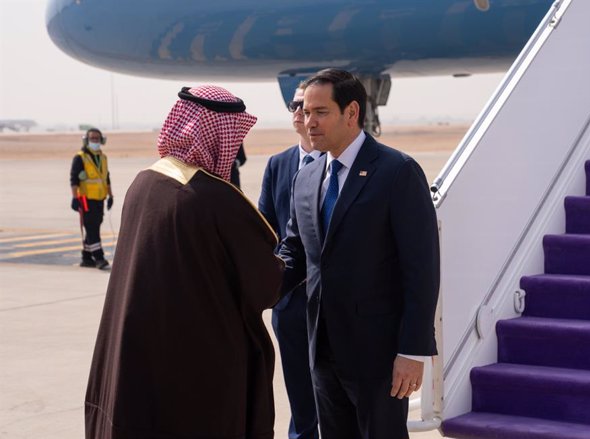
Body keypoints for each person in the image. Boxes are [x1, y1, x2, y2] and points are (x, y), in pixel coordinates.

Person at [84, 85, 284, 439]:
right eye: (233, 137)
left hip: (139, 355)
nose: (234, 147)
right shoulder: (215, 199)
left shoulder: (143, 182)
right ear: (217, 135)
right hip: (195, 366)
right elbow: (266, 287)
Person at [278, 69, 440, 438]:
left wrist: (413, 351)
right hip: (322, 352)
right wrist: (251, 285)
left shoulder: (397, 172)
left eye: (320, 112)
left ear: (351, 113)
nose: (307, 121)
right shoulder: (306, 177)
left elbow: (422, 270)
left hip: (380, 357)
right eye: (304, 111)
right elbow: (295, 253)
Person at [259, 82, 320, 439]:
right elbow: (265, 229)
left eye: (305, 105)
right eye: (293, 106)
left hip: (334, 304)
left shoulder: (339, 165)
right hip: (291, 305)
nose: (298, 112)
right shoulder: (278, 165)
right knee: (300, 397)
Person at [69, 128, 113, 269]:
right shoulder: (80, 157)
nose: (95, 141)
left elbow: (106, 178)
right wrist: (75, 198)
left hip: (99, 199)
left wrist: (110, 195)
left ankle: (86, 258)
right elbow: (74, 179)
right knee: (93, 228)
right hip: (86, 199)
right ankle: (99, 258)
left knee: (94, 226)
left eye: (97, 138)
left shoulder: (103, 157)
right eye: (92, 138)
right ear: (86, 140)